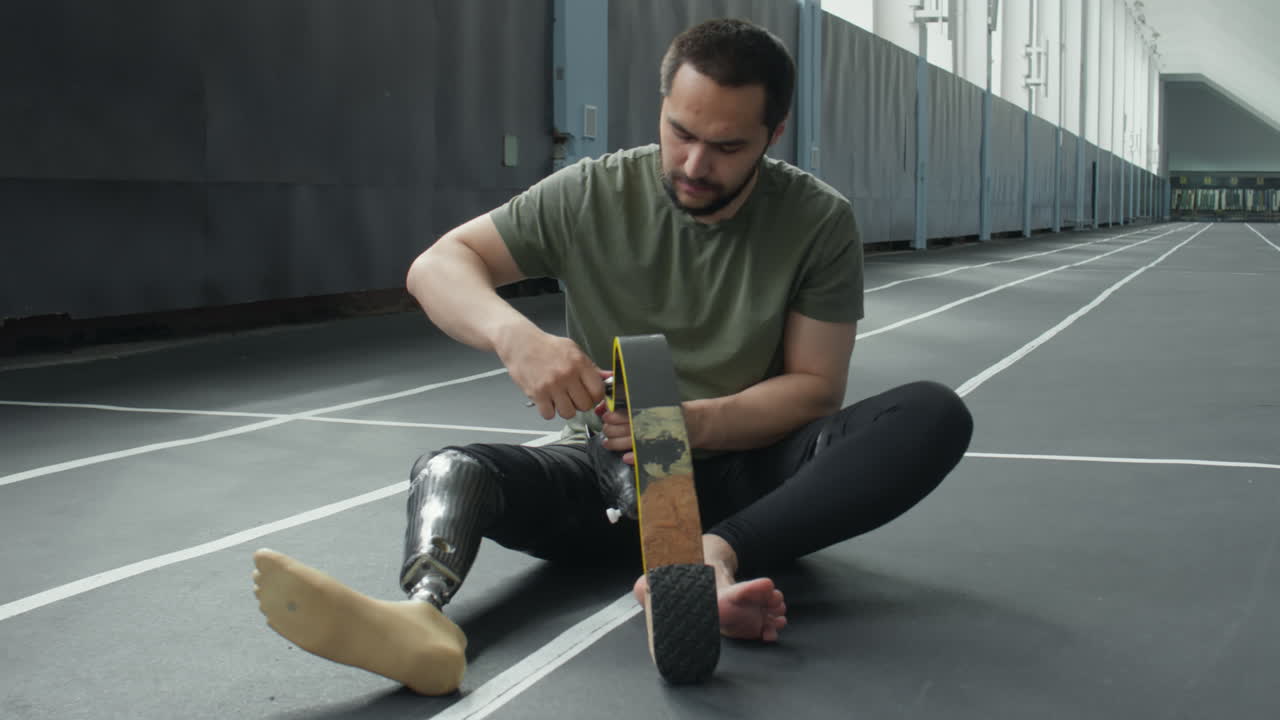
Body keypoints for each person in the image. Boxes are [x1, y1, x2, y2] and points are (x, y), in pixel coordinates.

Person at [252, 17, 973, 696]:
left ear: (773, 133)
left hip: (749, 478)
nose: (694, 164)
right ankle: (421, 617)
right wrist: (518, 337)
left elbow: (815, 389)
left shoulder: (818, 220)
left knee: (933, 415)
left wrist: (685, 423)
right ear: (662, 104)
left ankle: (709, 560)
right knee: (451, 469)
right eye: (680, 132)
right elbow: (437, 266)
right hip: (606, 484)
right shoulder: (591, 193)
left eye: (726, 148)